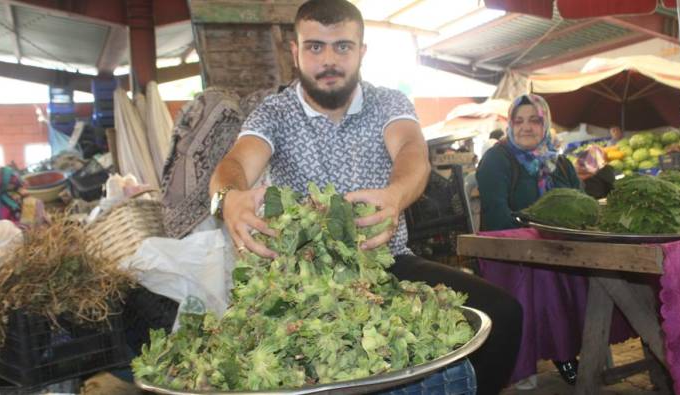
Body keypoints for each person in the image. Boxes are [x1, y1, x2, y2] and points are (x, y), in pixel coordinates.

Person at [209, 1, 522, 394]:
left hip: (385, 263)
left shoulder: (388, 103)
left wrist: (395, 195)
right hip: (300, 280)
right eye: (314, 47)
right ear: (295, 52)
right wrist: (229, 197)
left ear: (361, 51)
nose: (328, 60)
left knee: (504, 313)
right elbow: (236, 162)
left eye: (342, 46)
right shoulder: (274, 113)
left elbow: (411, 150)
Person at [476, 95, 632, 388]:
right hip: (507, 251)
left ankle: (588, 342)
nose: (526, 128)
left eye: (534, 120)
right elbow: (497, 216)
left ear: (545, 124)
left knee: (597, 269)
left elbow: (582, 203)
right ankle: (560, 354)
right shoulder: (497, 159)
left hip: (560, 247)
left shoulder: (560, 163)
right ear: (509, 124)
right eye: (518, 121)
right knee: (547, 273)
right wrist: (541, 227)